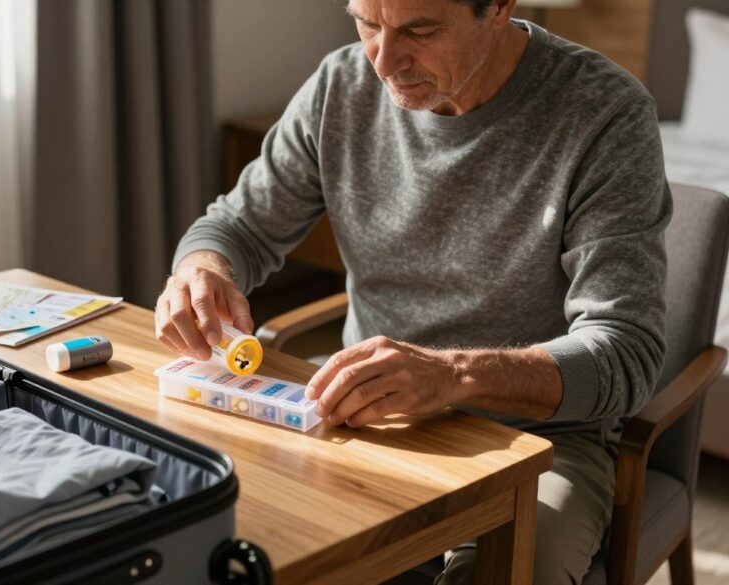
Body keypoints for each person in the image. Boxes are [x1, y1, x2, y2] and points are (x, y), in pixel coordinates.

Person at [154, 0, 671, 583]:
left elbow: (627, 353)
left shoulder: (604, 113)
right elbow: (238, 227)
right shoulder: (340, 85)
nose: (383, 60)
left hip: (535, 440)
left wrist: (453, 376)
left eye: (419, 30)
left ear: (500, 7)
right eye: (366, 22)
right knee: (220, 525)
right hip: (356, 408)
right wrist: (201, 271)